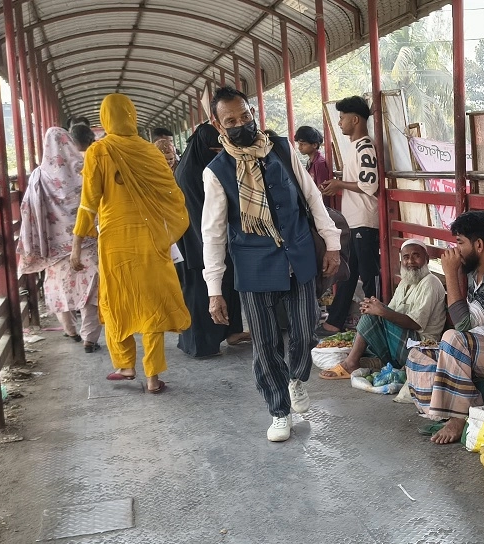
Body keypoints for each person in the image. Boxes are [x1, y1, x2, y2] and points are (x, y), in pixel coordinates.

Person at [201, 86, 342, 442]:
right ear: (218, 125)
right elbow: (213, 234)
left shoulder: (281, 148)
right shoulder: (216, 172)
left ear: (253, 112)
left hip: (298, 255)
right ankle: (279, 411)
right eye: (231, 120)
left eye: (245, 116)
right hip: (253, 265)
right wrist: (214, 290)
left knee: (305, 328)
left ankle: (296, 378)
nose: (241, 124)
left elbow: (311, 197)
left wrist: (332, 244)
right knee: (264, 343)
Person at [71, 93, 191, 394]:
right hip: (150, 237)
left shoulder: (99, 151)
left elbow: (89, 203)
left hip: (114, 240)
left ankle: (125, 365)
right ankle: (152, 378)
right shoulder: (149, 152)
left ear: (105, 119)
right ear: (132, 116)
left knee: (116, 300)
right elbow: (172, 194)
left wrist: (76, 245)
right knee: (151, 303)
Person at [406, 211, 484, 445]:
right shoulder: (478, 273)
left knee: (452, 338)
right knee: (417, 355)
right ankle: (467, 403)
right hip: (478, 349)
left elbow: (462, 325)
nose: (455, 251)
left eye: (460, 243)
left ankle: (458, 417)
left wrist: (450, 273)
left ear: (479, 245)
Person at [18, 127, 102, 352]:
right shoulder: (83, 169)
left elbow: (27, 208)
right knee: (90, 290)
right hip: (87, 242)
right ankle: (90, 338)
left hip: (54, 247)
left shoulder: (38, 176)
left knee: (58, 287)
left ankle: (70, 330)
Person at [319, 239, 446, 379]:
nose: (410, 261)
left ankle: (351, 364)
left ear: (426, 259)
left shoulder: (430, 282)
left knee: (371, 316)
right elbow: (388, 314)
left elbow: (415, 323)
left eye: (416, 256)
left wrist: (380, 311)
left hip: (420, 346)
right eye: (406, 257)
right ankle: (365, 360)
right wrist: (374, 307)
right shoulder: (406, 282)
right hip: (404, 340)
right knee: (372, 312)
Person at [174, 122, 248, 357]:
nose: (217, 155)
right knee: (199, 292)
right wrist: (209, 248)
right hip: (196, 244)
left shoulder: (202, 167)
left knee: (227, 286)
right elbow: (199, 216)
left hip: (213, 240)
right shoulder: (189, 174)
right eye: (213, 151)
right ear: (202, 147)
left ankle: (232, 332)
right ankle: (201, 344)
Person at [319, 95, 380, 336]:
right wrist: (339, 184)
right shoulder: (356, 146)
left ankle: (375, 322)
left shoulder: (365, 146)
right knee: (348, 272)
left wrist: (339, 184)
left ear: (355, 119)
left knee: (367, 273)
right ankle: (334, 321)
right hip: (354, 220)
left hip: (364, 219)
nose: (340, 123)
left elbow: (369, 184)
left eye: (343, 118)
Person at [295, 125, 338, 211]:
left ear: (314, 145)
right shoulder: (311, 161)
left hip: (320, 208)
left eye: (303, 144)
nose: (300, 147)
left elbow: (323, 191)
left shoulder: (320, 164)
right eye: (299, 144)